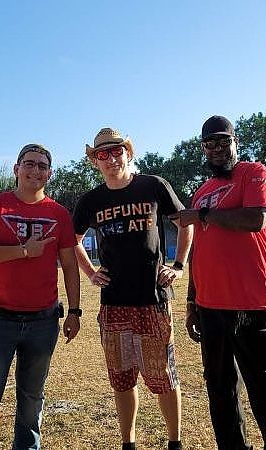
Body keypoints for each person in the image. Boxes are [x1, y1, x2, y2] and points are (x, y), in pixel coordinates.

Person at [169, 116, 266, 450]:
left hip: (253, 306)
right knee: (222, 396)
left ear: (235, 142)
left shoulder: (254, 173)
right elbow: (199, 250)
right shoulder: (201, 192)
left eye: (222, 142)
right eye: (209, 144)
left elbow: (256, 219)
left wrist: (201, 216)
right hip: (211, 310)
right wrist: (192, 303)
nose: (216, 149)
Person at [72, 128, 193, 450]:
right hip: (114, 303)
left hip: (153, 300)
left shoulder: (153, 186)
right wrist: (90, 272)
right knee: (122, 378)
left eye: (116, 151)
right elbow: (72, 242)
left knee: (163, 376)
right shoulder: (92, 200)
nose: (111, 159)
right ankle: (128, 442)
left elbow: (185, 223)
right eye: (102, 154)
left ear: (128, 152)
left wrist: (178, 266)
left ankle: (174, 442)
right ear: (95, 161)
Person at [0, 144, 81, 450]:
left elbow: (69, 265)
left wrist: (75, 312)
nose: (35, 170)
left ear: (49, 174)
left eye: (42, 166)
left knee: (32, 400)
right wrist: (24, 250)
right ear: (16, 169)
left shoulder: (59, 214)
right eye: (29, 164)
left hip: (43, 321)